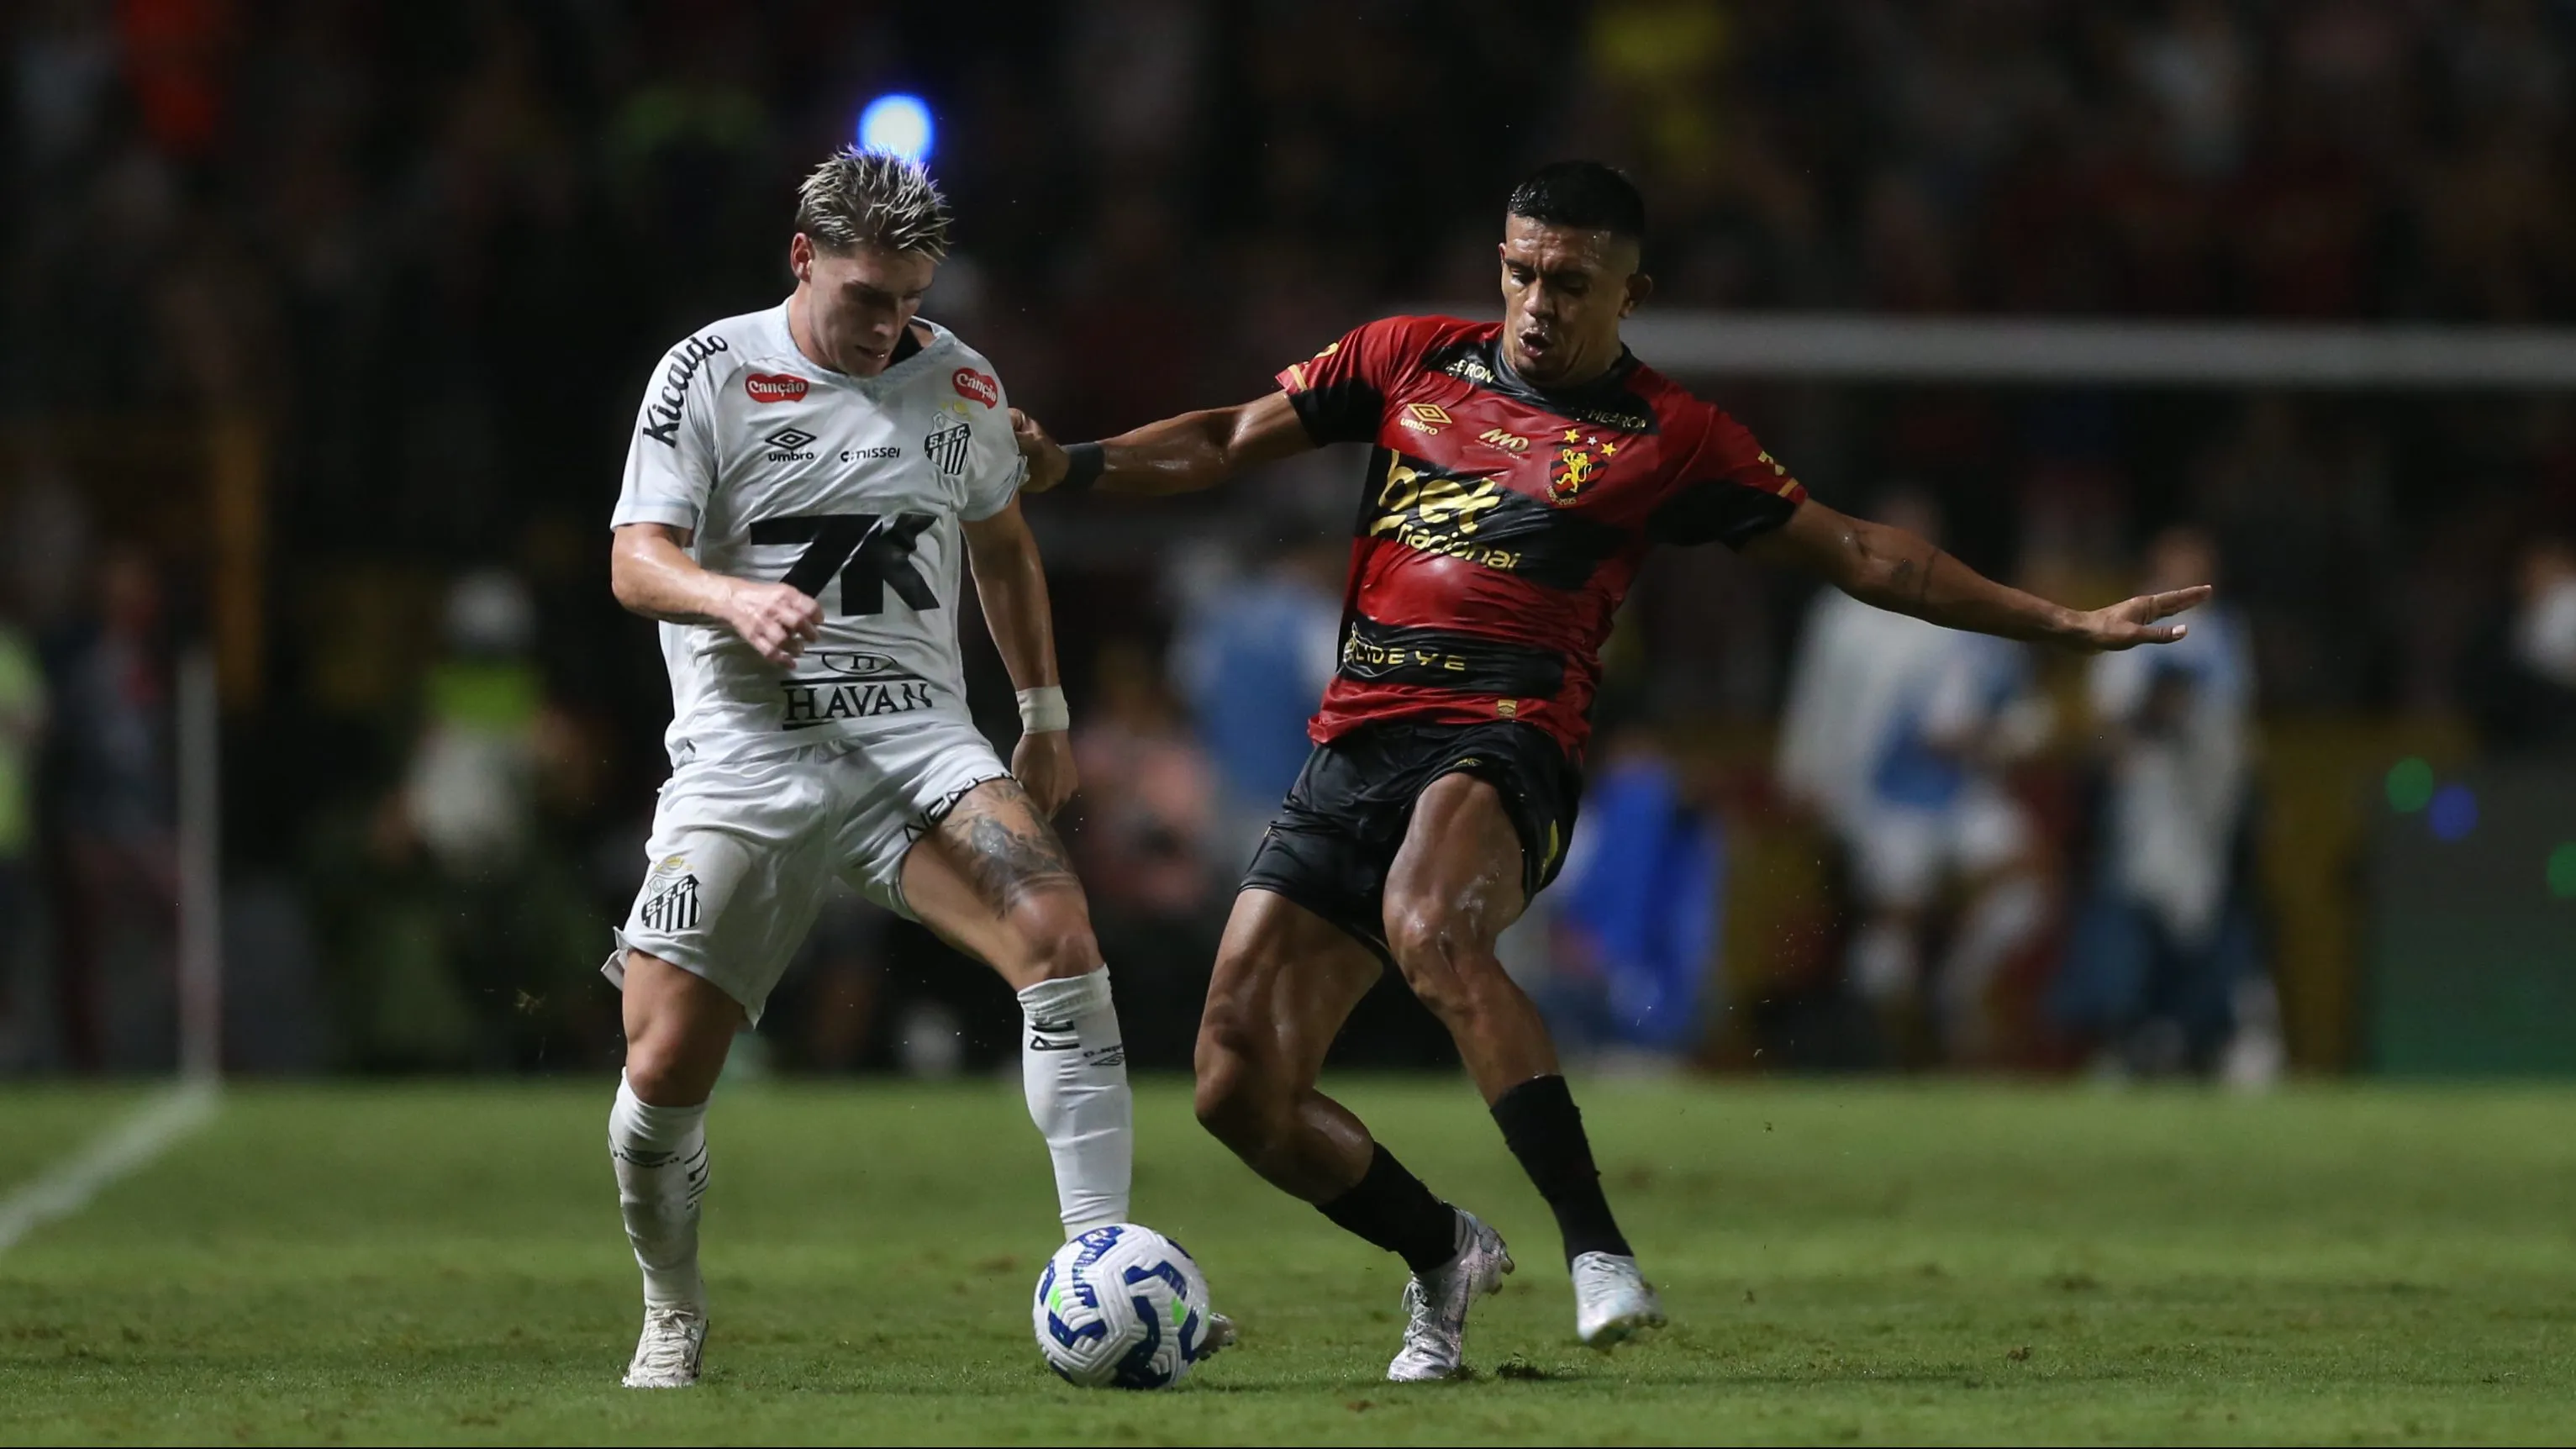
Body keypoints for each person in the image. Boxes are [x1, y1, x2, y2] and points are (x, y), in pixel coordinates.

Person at [1011, 161, 2210, 1381]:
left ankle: (1597, 1249)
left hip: (1506, 738)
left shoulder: (1670, 437)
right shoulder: (1408, 357)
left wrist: (2059, 624)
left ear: (1633, 292)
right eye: (1521, 271)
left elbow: (1861, 553)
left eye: (1571, 281)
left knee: (1430, 925)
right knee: (1231, 1081)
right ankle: (1442, 1252)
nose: (1538, 301)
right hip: (1357, 743)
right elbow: (1221, 438)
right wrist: (1073, 465)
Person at [600, 149, 1204, 1388]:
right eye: (866, 298)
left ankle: (1099, 1261)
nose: (890, 326)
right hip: (746, 758)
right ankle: (672, 1304)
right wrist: (731, 599)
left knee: (1061, 940)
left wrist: (1041, 715)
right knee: (660, 1069)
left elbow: (1003, 545)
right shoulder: (707, 373)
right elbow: (633, 560)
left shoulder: (961, 384)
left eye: (910, 298)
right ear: (802, 258)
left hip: (913, 748)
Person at [1777, 491, 2054, 1063]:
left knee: (2027, 884)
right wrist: (1801, 777)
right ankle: (1878, 1044)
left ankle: (1956, 989)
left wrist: (1993, 739)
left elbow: (2023, 711)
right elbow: (1815, 705)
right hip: (1876, 798)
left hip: (1962, 796)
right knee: (1892, 915)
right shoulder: (1842, 615)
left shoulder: (1963, 607)